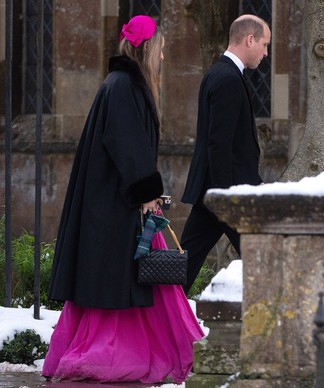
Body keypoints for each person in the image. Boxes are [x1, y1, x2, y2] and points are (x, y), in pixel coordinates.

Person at [42, 15, 204, 383]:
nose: (163, 58)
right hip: (117, 206)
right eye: (160, 49)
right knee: (119, 285)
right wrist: (147, 193)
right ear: (146, 48)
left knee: (130, 282)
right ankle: (113, 357)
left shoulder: (121, 84)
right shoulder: (124, 86)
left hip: (115, 202)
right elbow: (127, 144)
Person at [180, 14, 271, 293]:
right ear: (250, 39)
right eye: (265, 45)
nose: (266, 53)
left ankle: (156, 319)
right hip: (225, 195)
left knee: (183, 266)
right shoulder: (227, 78)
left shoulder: (221, 74)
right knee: (265, 261)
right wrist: (225, 199)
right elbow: (218, 144)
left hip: (219, 193)